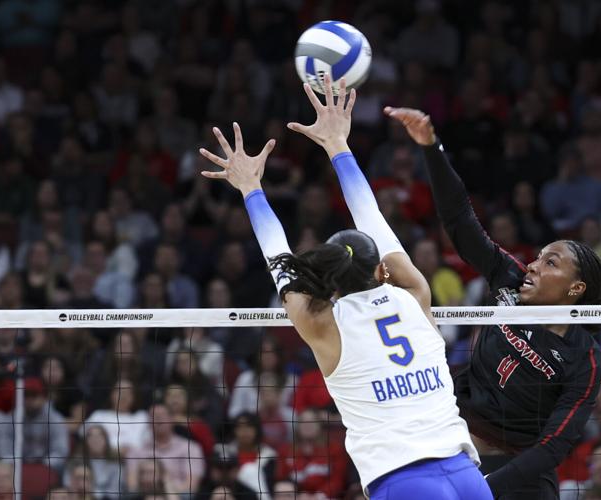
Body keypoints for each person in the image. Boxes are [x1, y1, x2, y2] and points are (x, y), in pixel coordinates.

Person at [199, 75, 489, 499]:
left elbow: (279, 260)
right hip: (464, 472)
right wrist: (338, 146)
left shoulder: (323, 326)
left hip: (404, 479)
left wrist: (251, 188)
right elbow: (372, 218)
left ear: (331, 281)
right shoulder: (414, 294)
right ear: (382, 269)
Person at [383, 104, 601, 499]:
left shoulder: (584, 357)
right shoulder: (509, 279)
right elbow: (459, 220)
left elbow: (554, 446)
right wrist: (431, 147)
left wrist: (486, 488)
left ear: (575, 289)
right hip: (454, 443)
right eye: (539, 257)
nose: (533, 265)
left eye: (550, 263)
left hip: (515, 471)